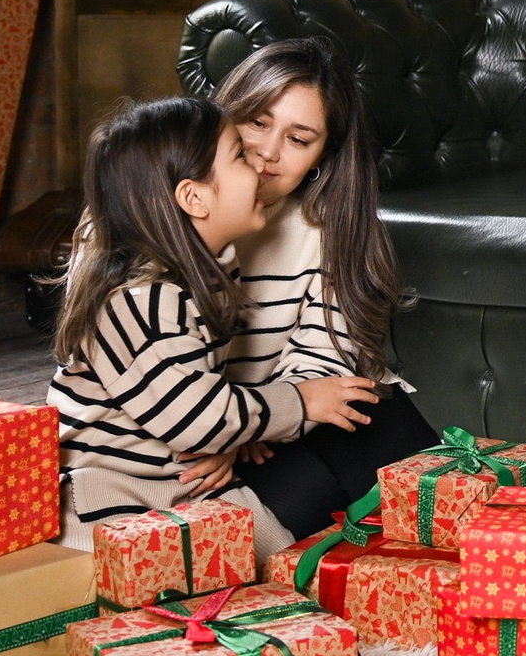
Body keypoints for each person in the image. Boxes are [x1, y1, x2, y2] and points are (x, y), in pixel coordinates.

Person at [46, 96, 378, 556]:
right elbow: (198, 420)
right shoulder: (142, 297)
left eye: (299, 138)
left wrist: (238, 429)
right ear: (194, 198)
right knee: (319, 519)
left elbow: (199, 411)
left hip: (180, 484)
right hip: (117, 503)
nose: (260, 165)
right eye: (241, 154)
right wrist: (299, 402)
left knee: (358, 458)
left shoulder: (204, 275)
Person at [173, 37, 441, 538]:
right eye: (256, 123)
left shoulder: (324, 225)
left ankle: (501, 519)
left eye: (299, 139)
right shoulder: (155, 208)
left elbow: (327, 358)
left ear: (322, 155)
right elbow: (150, 372)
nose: (267, 153)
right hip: (181, 432)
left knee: (376, 417)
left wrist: (256, 422)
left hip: (272, 422)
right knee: (314, 489)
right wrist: (224, 428)